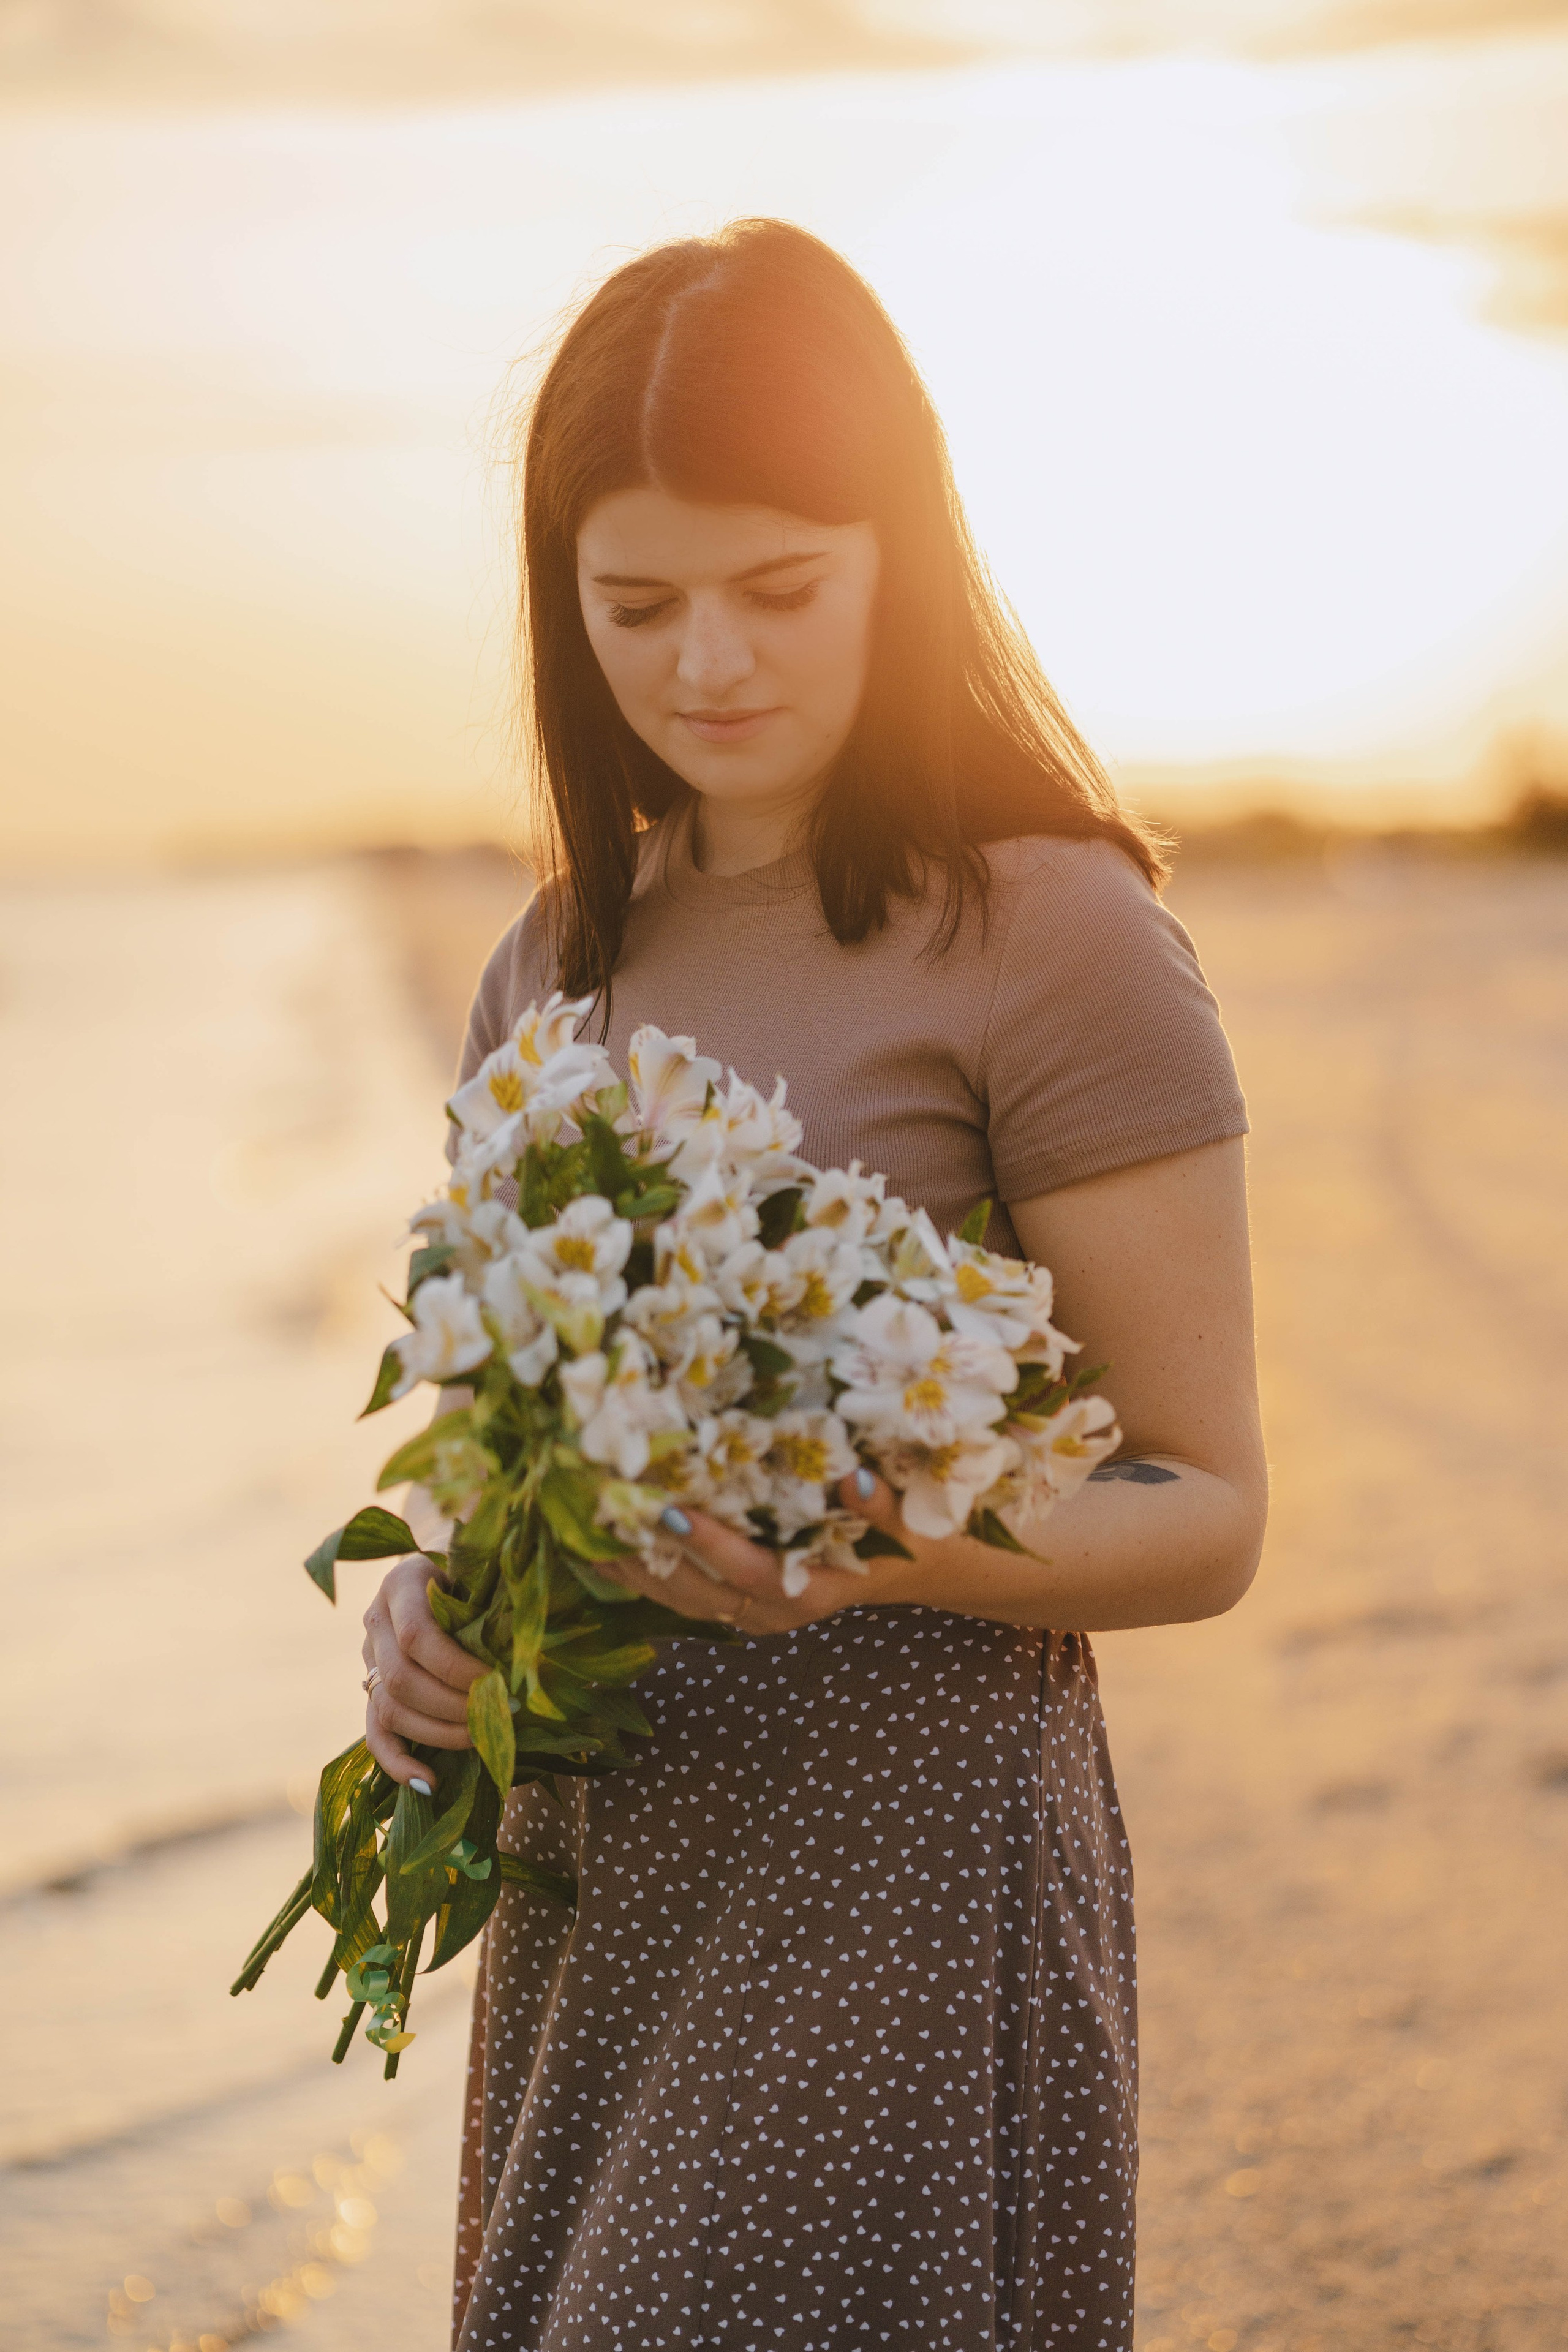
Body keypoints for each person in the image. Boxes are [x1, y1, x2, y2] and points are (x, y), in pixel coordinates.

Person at [360, 217, 1267, 2352]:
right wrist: (434, 1617)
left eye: (782, 588)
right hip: (607, 1886)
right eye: (636, 604)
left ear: (899, 557)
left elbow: (1210, 1508)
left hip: (894, 1898)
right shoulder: (554, 959)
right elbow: (518, 1456)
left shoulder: (1055, 935)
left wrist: (874, 1546)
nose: (706, 664)